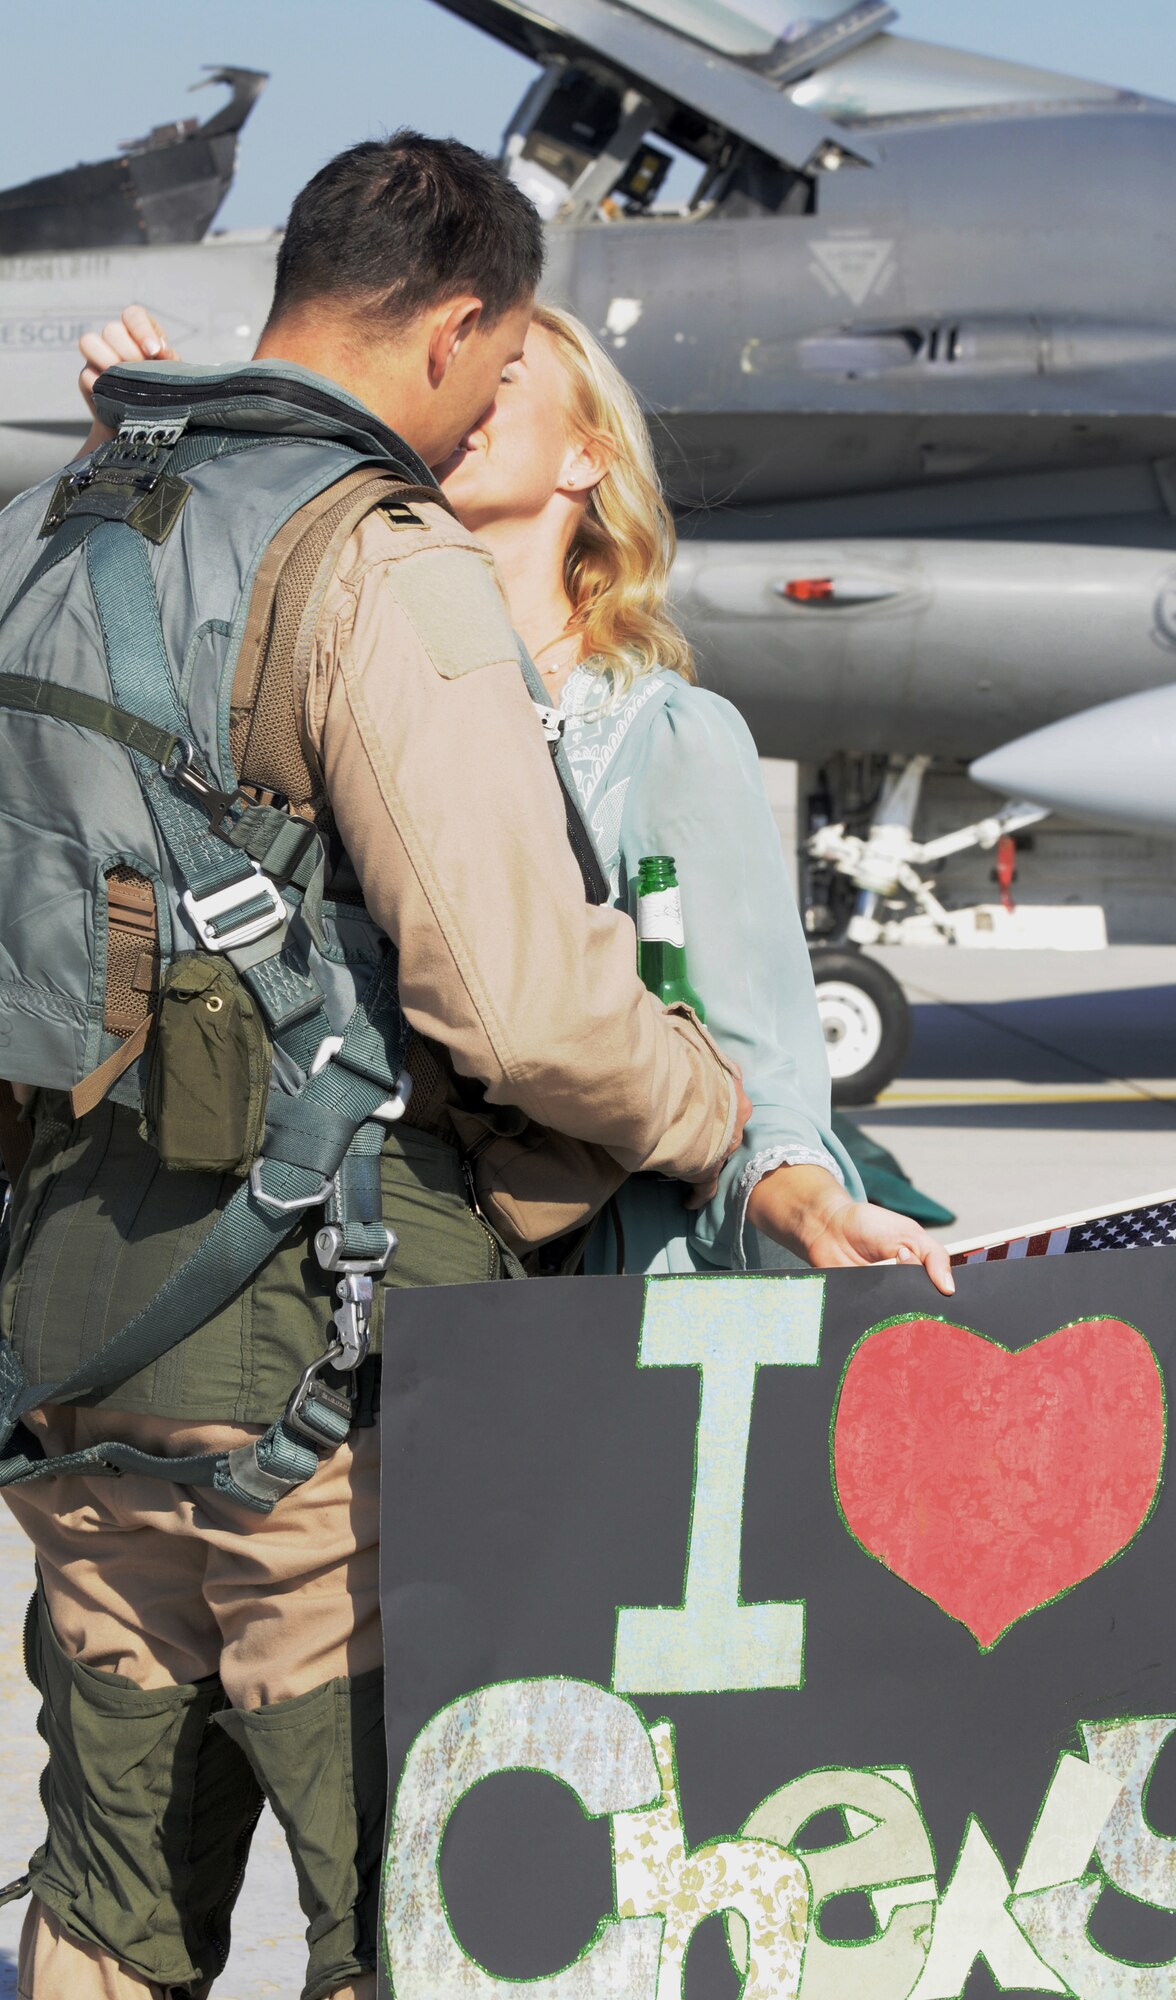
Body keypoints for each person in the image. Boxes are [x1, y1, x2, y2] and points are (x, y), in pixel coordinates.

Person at [0, 134, 746, 2000]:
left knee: (102, 1908)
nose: (487, 410)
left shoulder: (85, 517)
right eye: (496, 374)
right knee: (413, 1913)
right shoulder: (376, 556)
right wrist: (705, 1104)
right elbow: (518, 1004)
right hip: (327, 1387)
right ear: (462, 324)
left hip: (78, 1339)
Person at [83, 298, 956, 1294]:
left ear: (585, 459)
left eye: (502, 378)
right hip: (324, 1264)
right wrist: (128, 447)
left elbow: (758, 1073)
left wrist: (812, 1204)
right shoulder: (337, 685)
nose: (463, 396)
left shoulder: (662, 737)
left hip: (570, 1301)